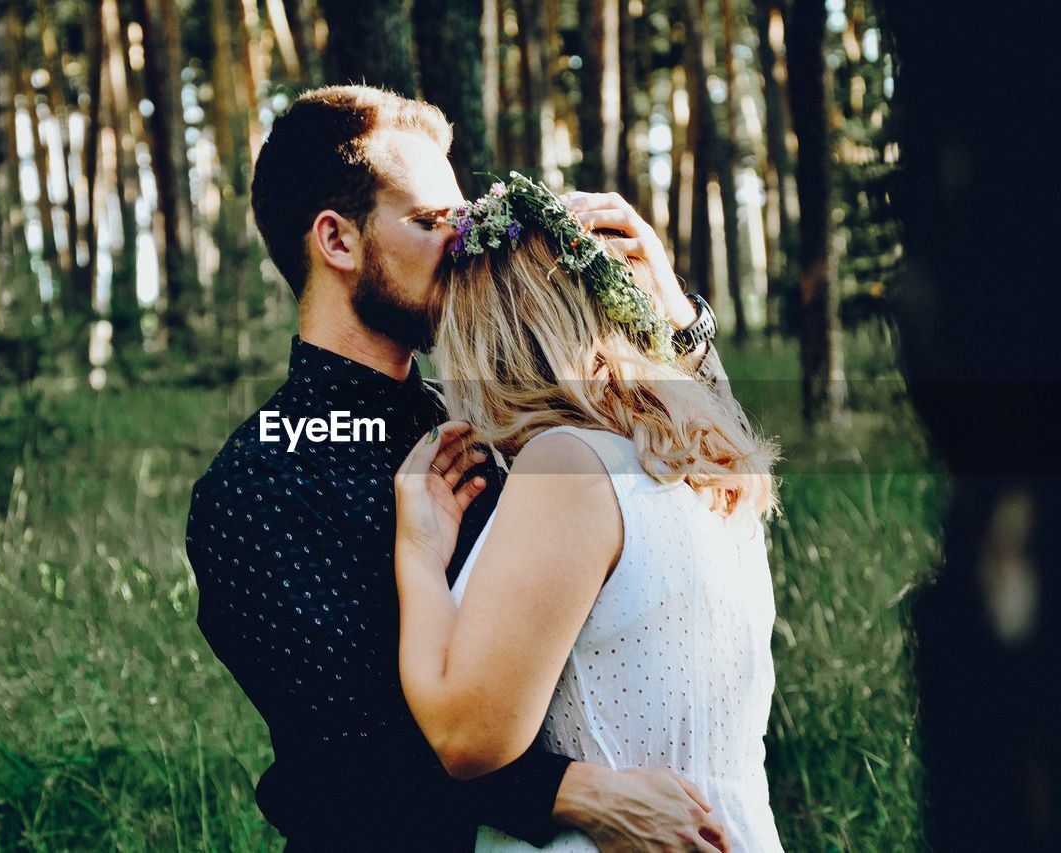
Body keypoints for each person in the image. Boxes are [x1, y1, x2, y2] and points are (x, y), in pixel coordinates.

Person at [187, 85, 735, 851]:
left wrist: (678, 323)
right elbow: (354, 745)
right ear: (337, 242)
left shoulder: (494, 417)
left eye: (464, 216)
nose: (465, 241)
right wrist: (575, 793)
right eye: (430, 221)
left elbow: (697, 486)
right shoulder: (261, 485)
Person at [392, 174, 783, 852]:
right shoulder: (707, 462)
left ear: (489, 337)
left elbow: (467, 737)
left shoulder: (569, 465)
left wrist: (418, 558)